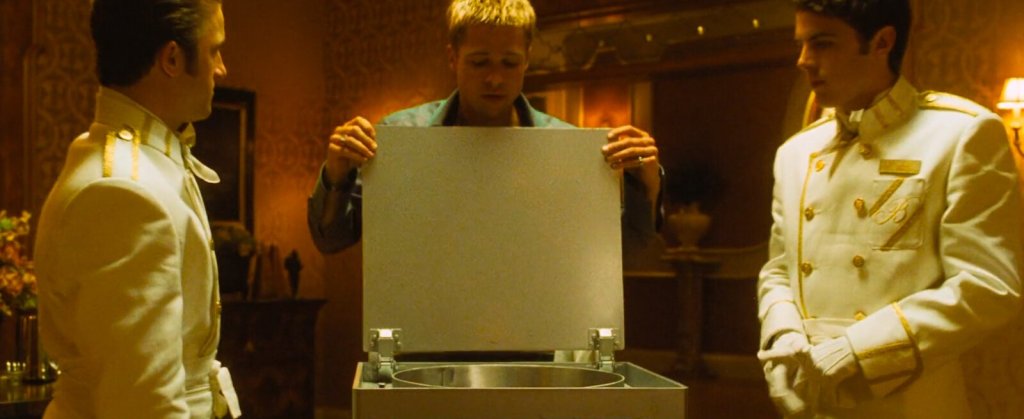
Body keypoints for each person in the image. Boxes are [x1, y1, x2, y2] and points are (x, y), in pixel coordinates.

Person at [756, 0, 1023, 417]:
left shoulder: (960, 134)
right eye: (801, 44)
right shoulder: (796, 152)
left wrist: (861, 350)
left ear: (881, 42)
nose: (803, 60)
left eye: (822, 43)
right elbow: (778, 269)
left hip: (910, 402)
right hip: (810, 396)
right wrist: (781, 338)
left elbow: (988, 284)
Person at [307, 0, 664, 256]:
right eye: (480, 63)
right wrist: (336, 174)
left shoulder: (565, 146)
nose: (495, 78)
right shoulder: (400, 138)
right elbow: (331, 240)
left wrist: (645, 184)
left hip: (534, 328)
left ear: (527, 60)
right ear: (453, 57)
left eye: (509, 63)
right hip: (424, 328)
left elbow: (628, 248)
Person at [33, 0, 240, 417]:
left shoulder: (144, 162)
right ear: (172, 58)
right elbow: (145, 404)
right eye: (214, 50)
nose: (222, 69)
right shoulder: (124, 191)